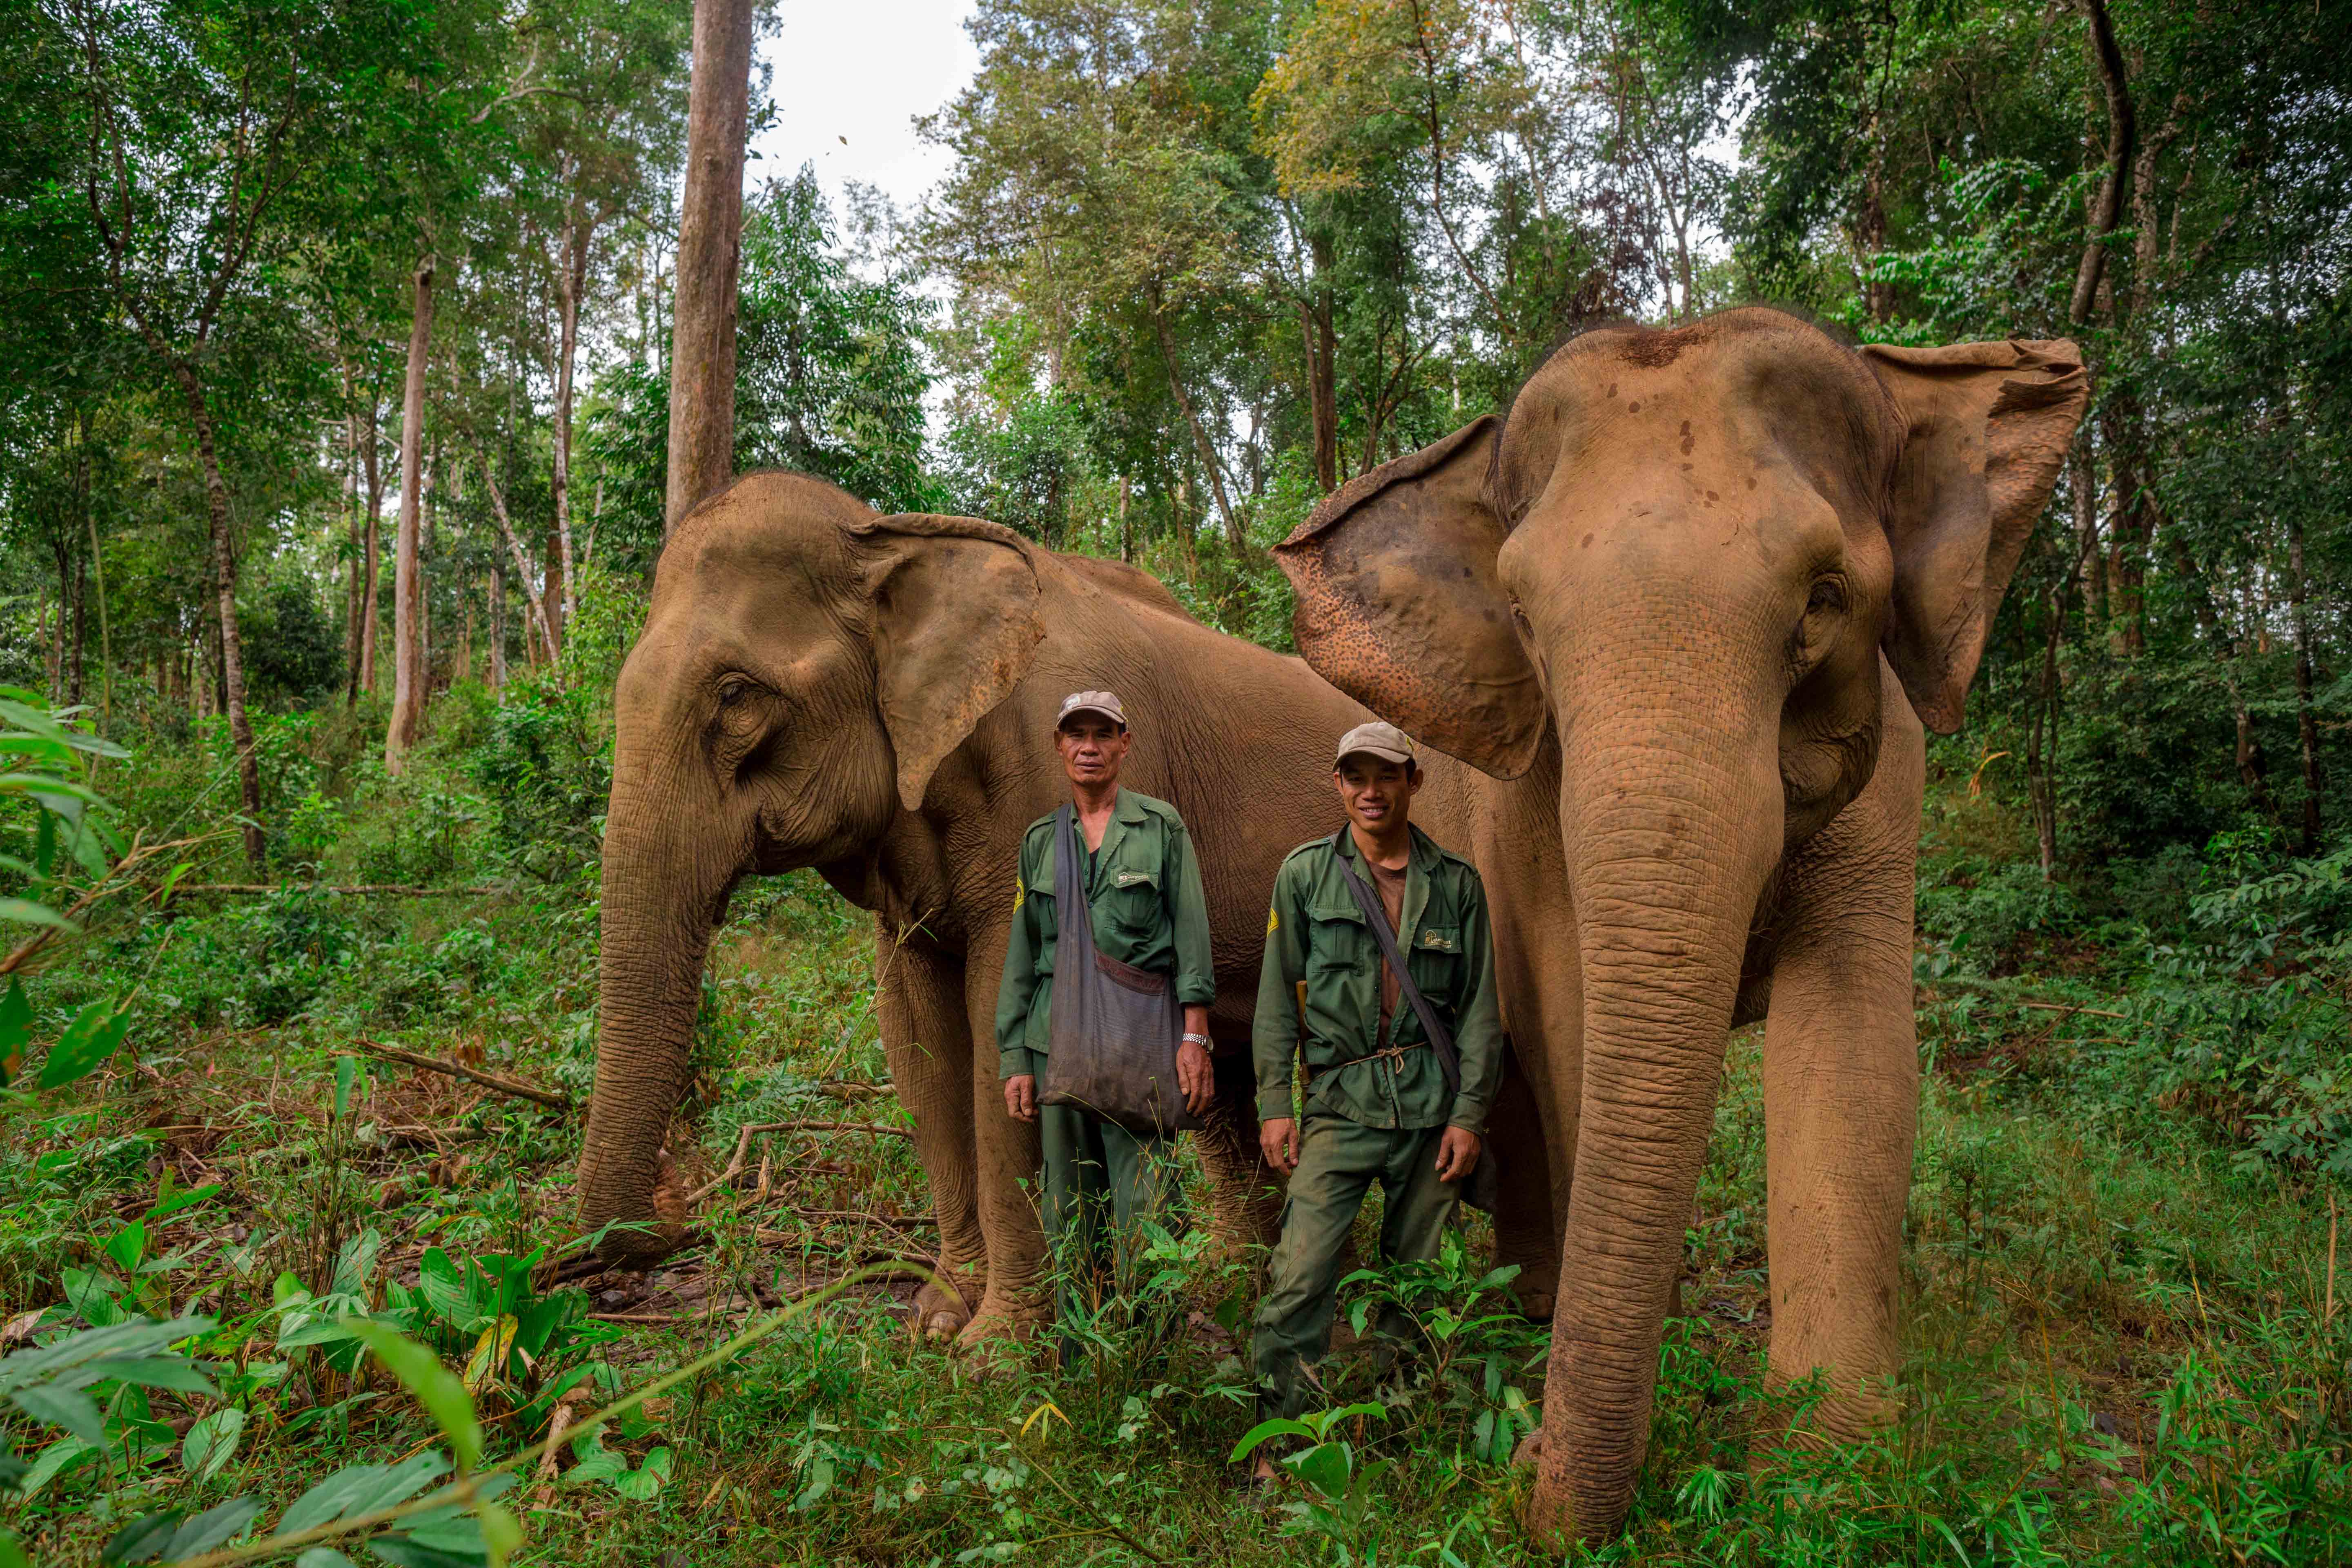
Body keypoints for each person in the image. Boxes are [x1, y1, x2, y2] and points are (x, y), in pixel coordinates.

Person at [1246, 720, 1501, 1476]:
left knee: (1417, 1286)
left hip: (1429, 1112)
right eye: (1355, 777)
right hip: (1339, 1106)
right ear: (1338, 785)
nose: (1369, 791)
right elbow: (1274, 1003)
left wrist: (1469, 1116)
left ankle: (1394, 1438)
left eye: (1384, 775)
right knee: (1299, 1277)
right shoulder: (1304, 877)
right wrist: (1274, 1104)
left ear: (1412, 782)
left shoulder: (1456, 885)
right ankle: (1280, 1443)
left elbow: (1482, 1012)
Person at [996, 690, 1218, 1355]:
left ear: (1125, 744)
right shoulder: (1041, 842)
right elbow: (1021, 957)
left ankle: (1151, 1361)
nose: (1089, 746)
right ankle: (1083, 1366)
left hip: (1141, 1044)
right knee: (1069, 1213)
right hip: (1055, 1047)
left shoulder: (1160, 828)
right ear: (1059, 747)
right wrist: (1014, 1059)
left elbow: (1191, 934)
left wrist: (1196, 1035)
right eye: (1077, 735)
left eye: (1103, 734)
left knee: (1147, 1209)